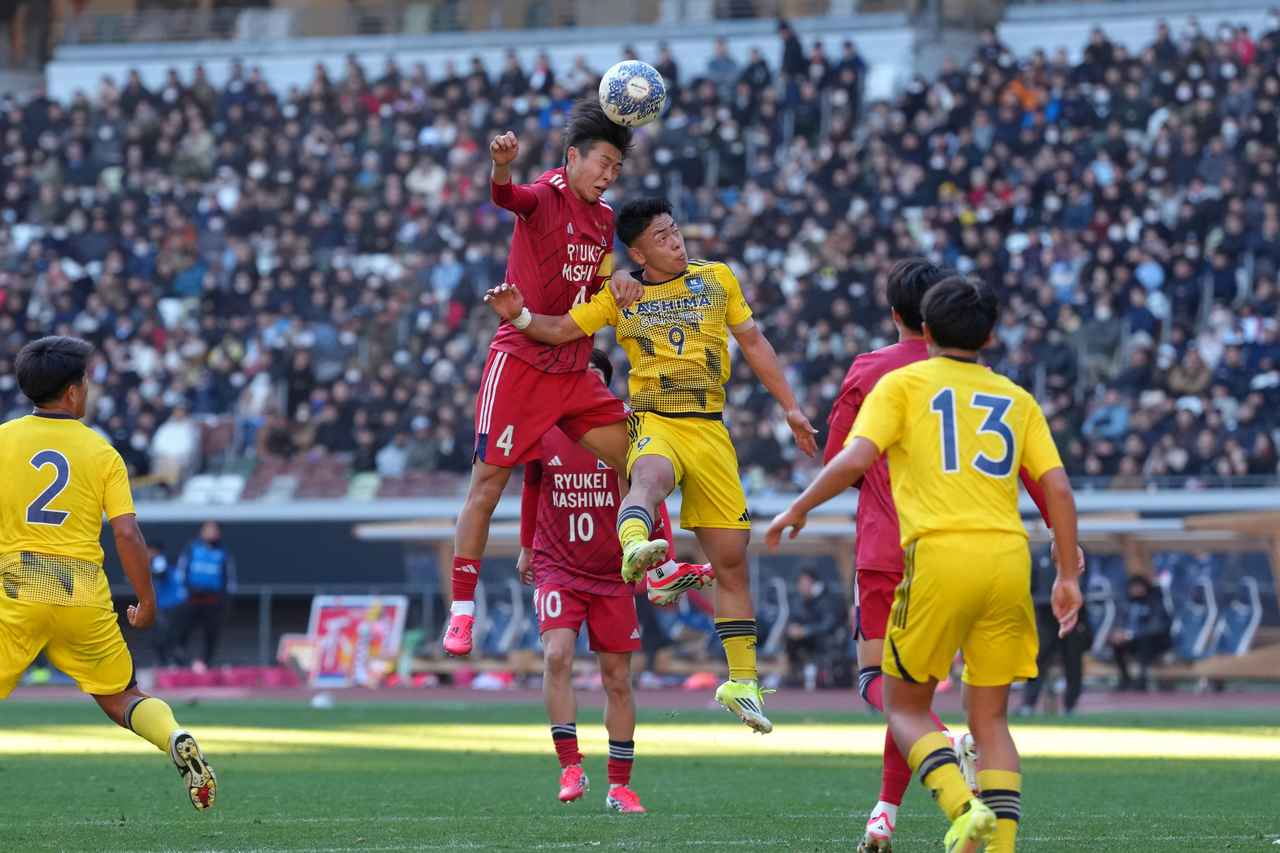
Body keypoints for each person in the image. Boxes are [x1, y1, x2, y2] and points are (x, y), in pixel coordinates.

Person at [766, 277, 1083, 853]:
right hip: (1010, 560)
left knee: (903, 704)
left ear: (926, 330)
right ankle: (1001, 845)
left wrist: (798, 508)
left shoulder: (901, 382)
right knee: (992, 721)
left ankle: (961, 807)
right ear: (990, 335)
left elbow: (854, 457)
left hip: (936, 557)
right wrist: (1065, 569)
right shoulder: (1017, 397)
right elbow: (1057, 488)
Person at [485, 196, 819, 733]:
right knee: (650, 477)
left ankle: (741, 682)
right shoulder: (619, 293)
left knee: (732, 558)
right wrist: (518, 315)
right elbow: (561, 330)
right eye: (661, 237)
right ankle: (639, 548)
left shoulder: (717, 278)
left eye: (676, 230)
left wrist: (791, 407)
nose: (676, 240)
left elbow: (753, 342)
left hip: (711, 427)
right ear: (639, 252)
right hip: (654, 419)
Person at [443, 99, 649, 658]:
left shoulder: (605, 219)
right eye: (602, 163)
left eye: (617, 169)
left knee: (641, 460)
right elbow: (507, 197)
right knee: (486, 486)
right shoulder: (545, 193)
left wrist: (624, 281)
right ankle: (462, 610)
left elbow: (602, 280)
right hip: (521, 364)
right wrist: (501, 166)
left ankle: (652, 561)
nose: (608, 176)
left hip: (575, 368)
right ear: (573, 157)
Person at [0, 336, 216, 810]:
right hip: (81, 589)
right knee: (122, 696)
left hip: (18, 583)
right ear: (74, 392)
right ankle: (173, 735)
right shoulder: (102, 452)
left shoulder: (3, 441)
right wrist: (148, 599)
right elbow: (126, 535)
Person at [519, 349, 712, 813]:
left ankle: (619, 787)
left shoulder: (629, 433)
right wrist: (527, 545)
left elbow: (652, 494)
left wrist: (661, 560)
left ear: (604, 387)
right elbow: (531, 488)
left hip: (613, 573)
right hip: (558, 566)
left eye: (591, 381)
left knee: (618, 680)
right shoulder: (546, 429)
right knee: (557, 655)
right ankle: (570, 765)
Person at [1020, 551, 1092, 715]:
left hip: (1073, 613)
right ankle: (1028, 703)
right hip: (1046, 616)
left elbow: (1085, 583)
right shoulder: (1039, 556)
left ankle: (1070, 705)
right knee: (1038, 660)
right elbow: (1031, 586)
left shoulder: (1079, 553)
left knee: (1073, 660)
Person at [176, 521, 236, 668]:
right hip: (192, 597)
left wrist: (226, 598)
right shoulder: (192, 548)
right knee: (183, 630)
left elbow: (229, 577)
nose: (211, 532)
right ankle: (178, 660)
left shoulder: (223, 552)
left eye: (214, 530)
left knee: (211, 633)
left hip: (213, 599)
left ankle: (206, 663)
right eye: (208, 529)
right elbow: (181, 570)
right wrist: (183, 592)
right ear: (202, 531)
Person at [782, 568, 846, 691]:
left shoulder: (827, 599)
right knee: (790, 639)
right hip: (805, 640)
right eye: (800, 583)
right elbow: (795, 618)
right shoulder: (800, 600)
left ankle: (819, 676)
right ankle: (794, 675)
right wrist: (793, 628)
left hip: (824, 641)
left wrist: (806, 631)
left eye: (804, 583)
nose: (801, 587)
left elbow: (829, 625)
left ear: (815, 584)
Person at [1108, 575, 1172, 691]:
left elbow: (1157, 626)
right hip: (1131, 641)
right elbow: (1119, 621)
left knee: (1145, 641)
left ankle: (1142, 679)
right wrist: (1118, 633)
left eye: (1138, 587)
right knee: (1116, 643)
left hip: (1154, 642)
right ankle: (1125, 678)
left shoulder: (1155, 601)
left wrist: (1131, 635)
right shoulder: (1125, 602)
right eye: (1133, 587)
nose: (1135, 590)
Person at [149, 540, 187, 667]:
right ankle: (170, 662)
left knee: (165, 636)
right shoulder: (163, 560)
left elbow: (160, 572)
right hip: (172, 604)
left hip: (170, 605)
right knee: (166, 636)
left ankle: (172, 663)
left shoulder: (159, 560)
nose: (148, 553)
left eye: (150, 550)